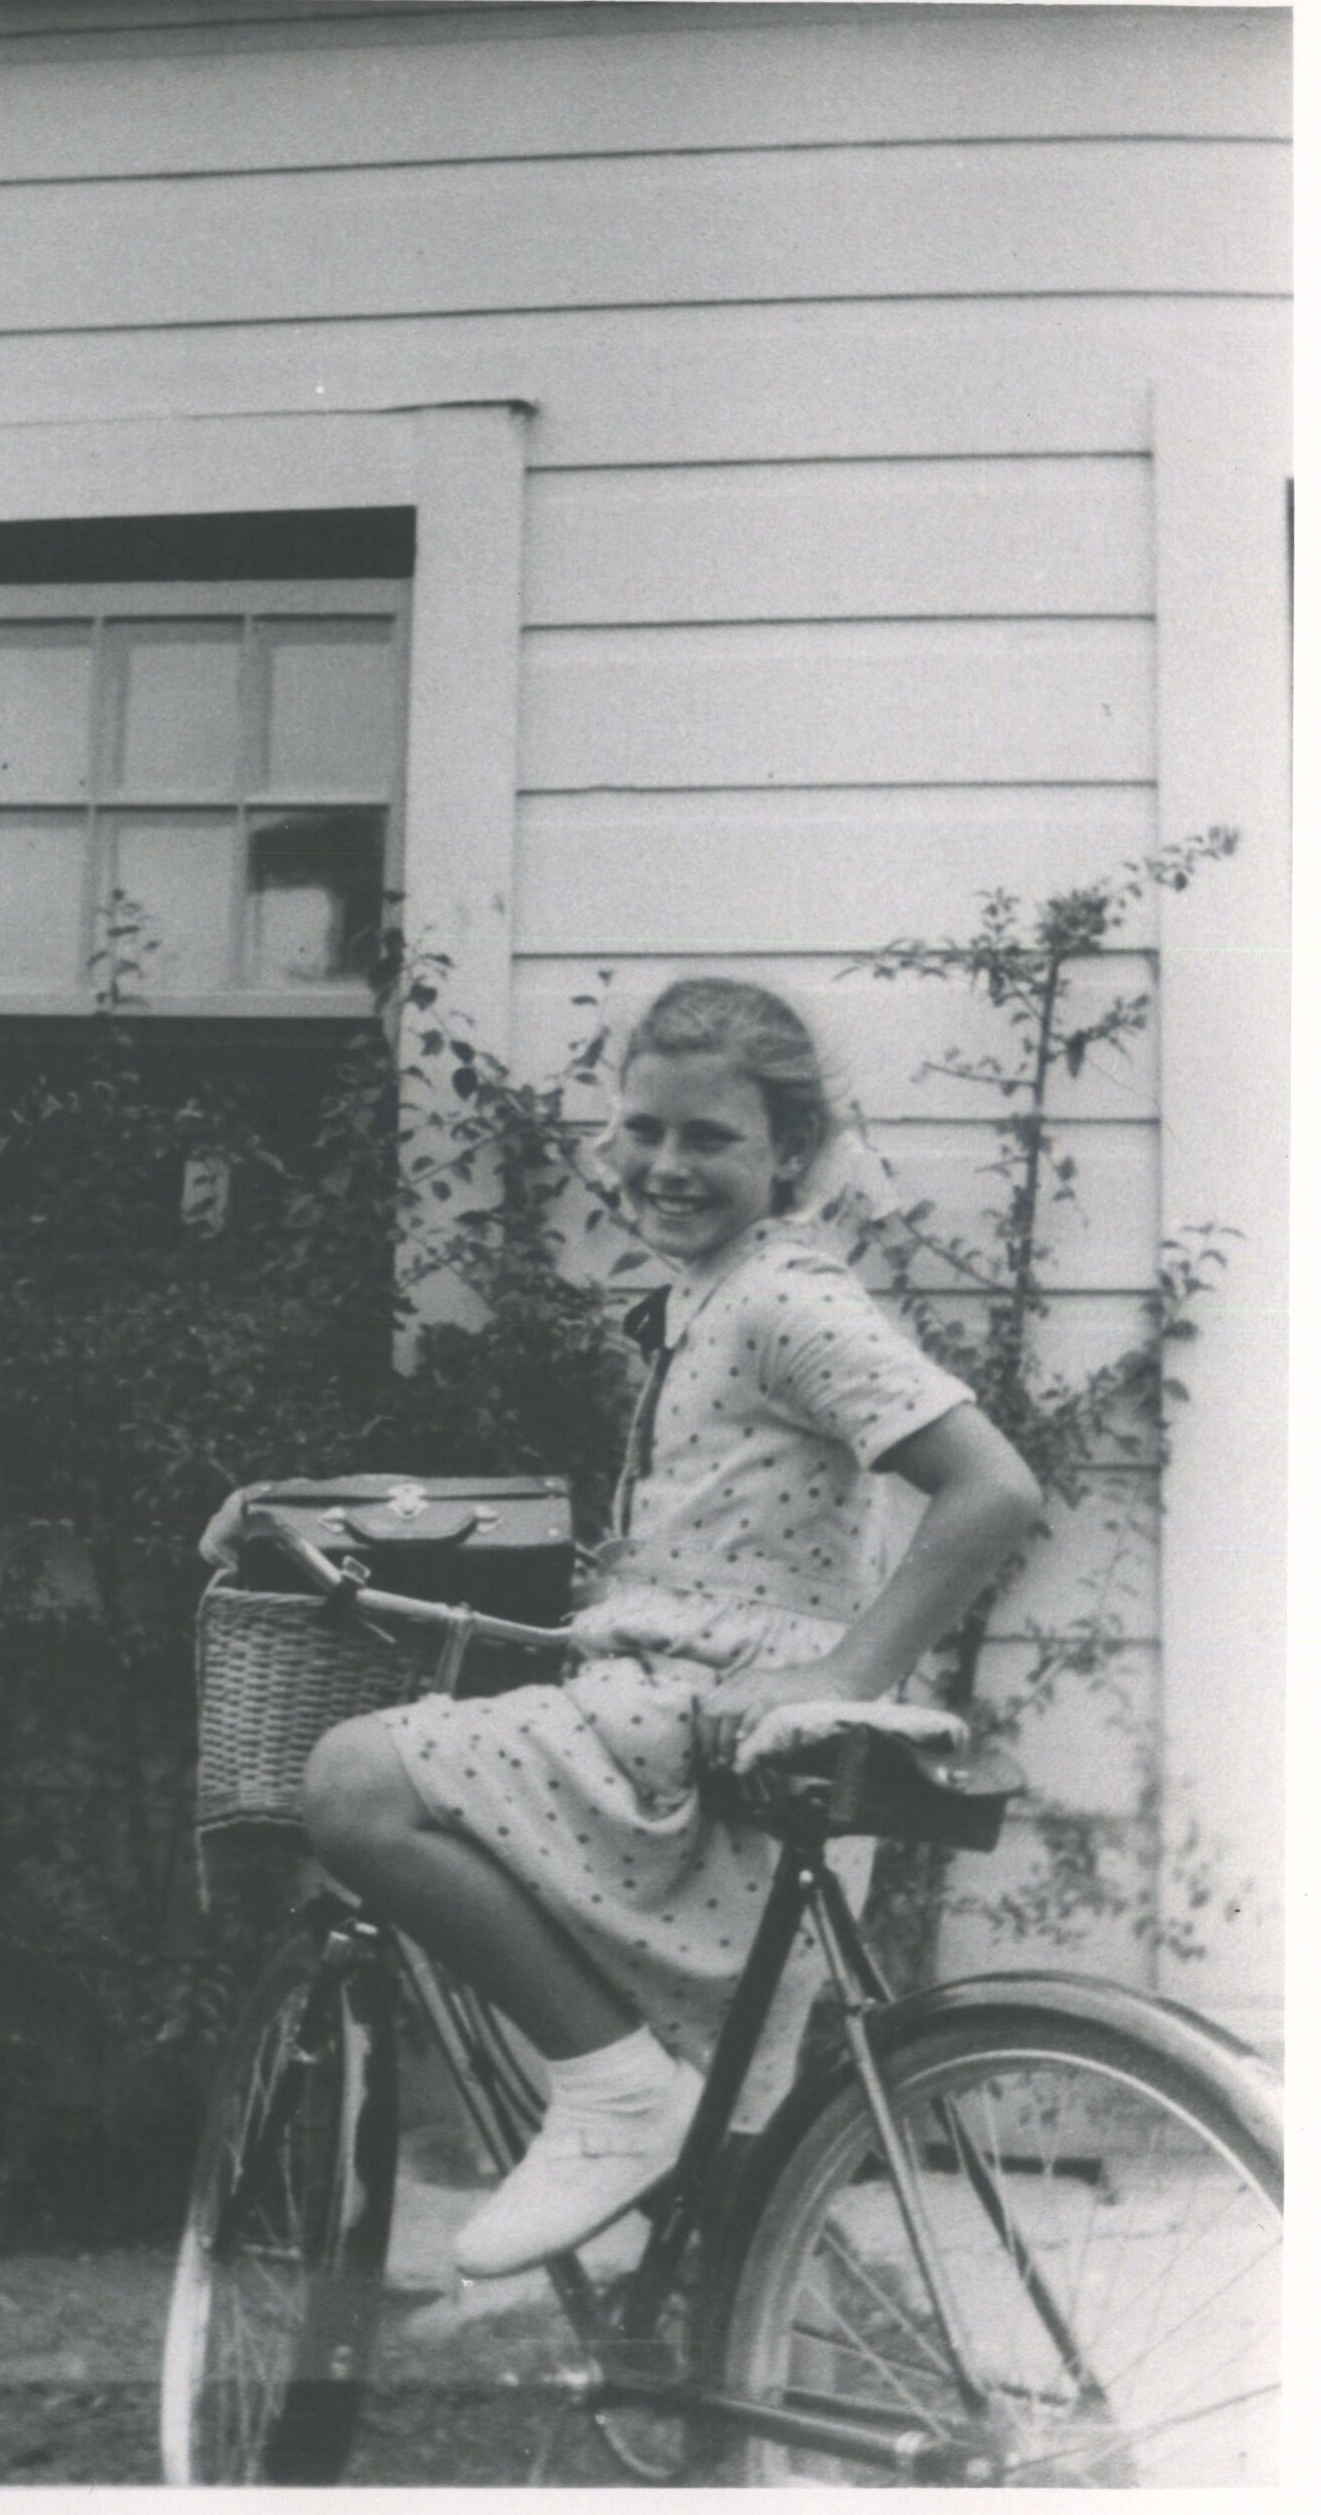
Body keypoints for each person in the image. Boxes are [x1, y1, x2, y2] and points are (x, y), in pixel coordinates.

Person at [204, 977, 1042, 2279]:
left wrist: (843, 1674)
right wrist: (291, 1510)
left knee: (357, 1783)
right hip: (675, 1720)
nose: (665, 1164)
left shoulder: (785, 1301)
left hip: (714, 1734)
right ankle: (756, 2406)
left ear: (793, 1155)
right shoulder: (712, 1297)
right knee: (721, 2238)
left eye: (709, 1138)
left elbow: (993, 1489)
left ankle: (611, 2094)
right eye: (644, 1129)